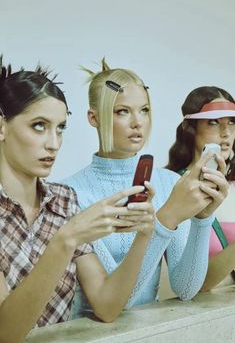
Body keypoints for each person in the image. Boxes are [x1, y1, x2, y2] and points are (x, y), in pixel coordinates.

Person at [0, 56, 158, 343]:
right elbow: (6, 332)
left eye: (60, 128)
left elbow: (107, 307)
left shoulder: (64, 201)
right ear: (2, 126)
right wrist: (65, 240)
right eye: (39, 126)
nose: (54, 142)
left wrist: (144, 235)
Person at [62, 59, 228, 318]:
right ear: (93, 118)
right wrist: (166, 218)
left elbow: (185, 289)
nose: (137, 122)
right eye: (122, 112)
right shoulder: (69, 194)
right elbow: (119, 302)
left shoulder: (169, 183)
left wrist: (202, 221)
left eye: (144, 110)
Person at [166, 85, 235, 291]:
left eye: (232, 122)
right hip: (201, 316)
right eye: (213, 122)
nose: (226, 133)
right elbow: (190, 286)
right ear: (190, 127)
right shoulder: (173, 187)